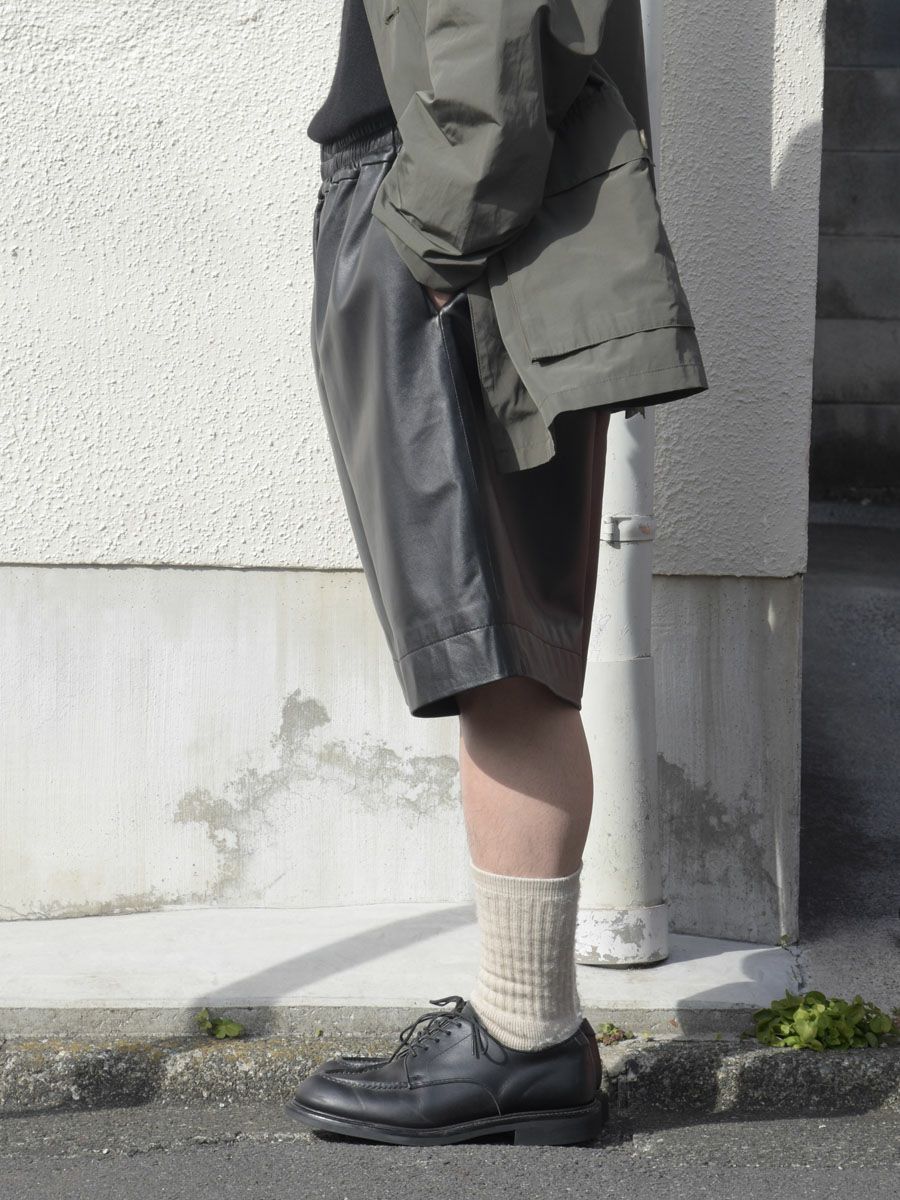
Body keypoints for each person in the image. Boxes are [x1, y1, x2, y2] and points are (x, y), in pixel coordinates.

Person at [286, 0, 707, 1147]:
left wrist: (426, 235)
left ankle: (526, 1045)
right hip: (472, 224)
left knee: (499, 655)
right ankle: (530, 1036)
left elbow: (492, 43)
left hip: (457, 235)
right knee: (501, 647)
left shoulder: (442, 228)